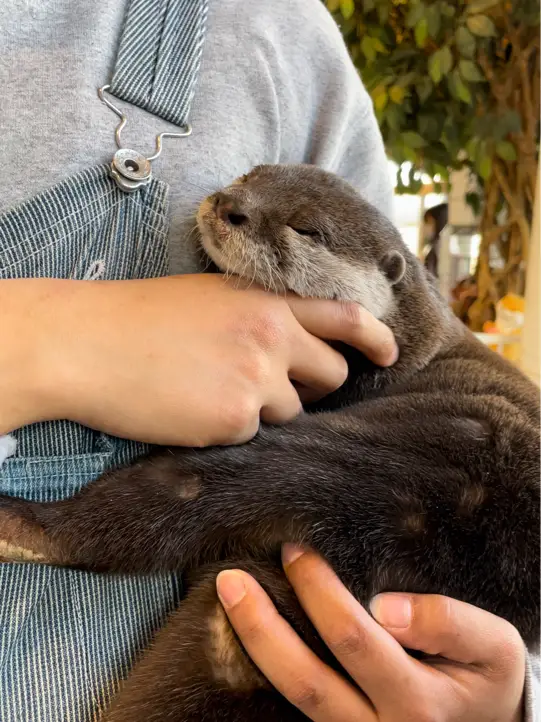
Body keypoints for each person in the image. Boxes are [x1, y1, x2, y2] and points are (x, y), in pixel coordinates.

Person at [0, 1, 537, 720]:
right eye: (243, 177)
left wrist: (502, 703)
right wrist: (44, 344)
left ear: (385, 280)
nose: (233, 204)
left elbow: (505, 646)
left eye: (305, 229)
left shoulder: (272, 32)